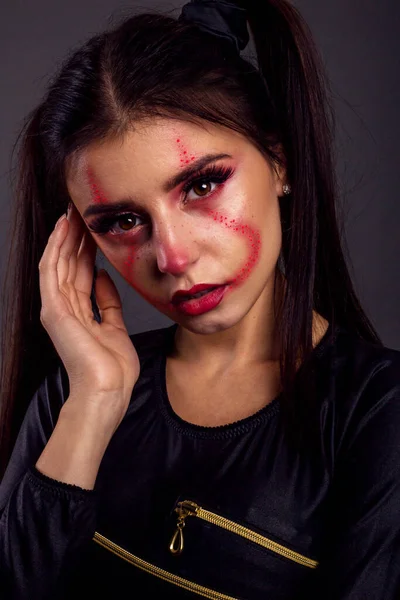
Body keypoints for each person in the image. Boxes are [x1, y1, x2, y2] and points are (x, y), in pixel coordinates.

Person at [0, 0, 399, 598]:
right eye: (123, 221)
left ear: (279, 160)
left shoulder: (377, 415)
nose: (173, 257)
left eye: (203, 185)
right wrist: (97, 399)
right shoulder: (75, 395)